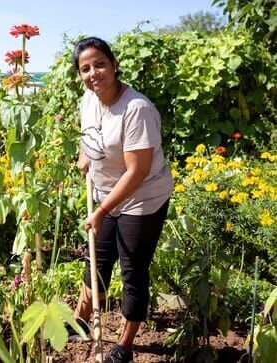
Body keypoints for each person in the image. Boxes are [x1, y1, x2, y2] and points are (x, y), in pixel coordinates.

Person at [69, 37, 173, 363]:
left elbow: (137, 172)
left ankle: (124, 347)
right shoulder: (89, 99)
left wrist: (101, 210)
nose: (93, 73)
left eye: (99, 64)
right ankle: (81, 319)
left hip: (140, 200)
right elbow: (88, 136)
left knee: (133, 269)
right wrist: (84, 155)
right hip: (104, 194)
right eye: (85, 68)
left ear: (114, 65)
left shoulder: (136, 109)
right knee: (96, 262)